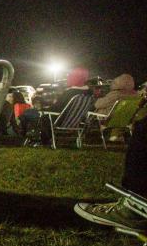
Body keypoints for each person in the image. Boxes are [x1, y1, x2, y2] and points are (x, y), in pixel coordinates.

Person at [74, 96, 147, 230]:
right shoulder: (133, 95)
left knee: (143, 129)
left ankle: (135, 207)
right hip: (122, 120)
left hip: (107, 119)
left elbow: (98, 103)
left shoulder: (115, 95)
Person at [21, 67, 90, 146]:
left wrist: (42, 109)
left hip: (57, 120)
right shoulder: (87, 94)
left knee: (27, 113)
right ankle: (32, 135)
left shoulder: (70, 93)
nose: (68, 77)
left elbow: (57, 108)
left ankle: (26, 137)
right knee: (31, 114)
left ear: (76, 78)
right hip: (73, 121)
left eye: (70, 75)